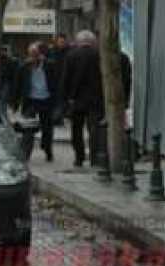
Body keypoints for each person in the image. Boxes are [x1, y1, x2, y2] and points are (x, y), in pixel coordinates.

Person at [61, 31, 103, 167]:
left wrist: (67, 98)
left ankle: (79, 157)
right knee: (94, 129)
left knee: (76, 129)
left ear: (79, 42)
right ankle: (95, 158)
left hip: (76, 99)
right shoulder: (99, 55)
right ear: (93, 42)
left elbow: (65, 79)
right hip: (95, 99)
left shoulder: (71, 56)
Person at [14, 42, 57, 162]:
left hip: (46, 100)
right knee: (28, 128)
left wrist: (58, 102)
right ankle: (26, 153)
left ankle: (48, 150)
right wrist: (15, 103)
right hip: (31, 100)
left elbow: (56, 82)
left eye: (35, 55)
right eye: (31, 55)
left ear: (41, 55)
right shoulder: (24, 67)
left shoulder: (50, 65)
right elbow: (17, 85)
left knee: (47, 128)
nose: (33, 58)